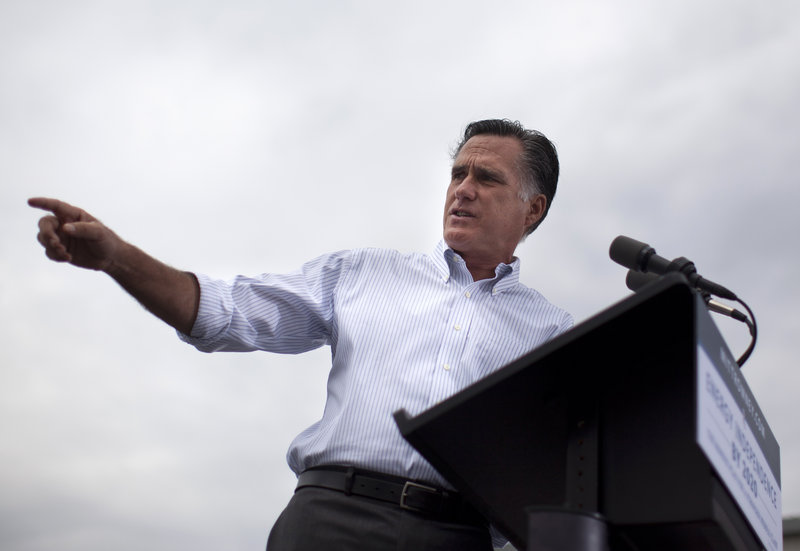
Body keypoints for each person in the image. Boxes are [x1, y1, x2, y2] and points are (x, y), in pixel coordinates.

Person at [30, 118, 573, 550]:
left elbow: (566, 473)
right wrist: (116, 258)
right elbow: (226, 311)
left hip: (462, 538)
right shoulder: (362, 274)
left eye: (486, 178)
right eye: (458, 174)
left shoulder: (554, 335)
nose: (463, 190)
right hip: (332, 522)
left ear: (533, 209)